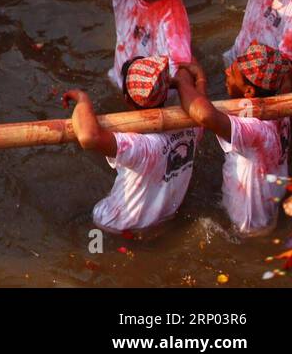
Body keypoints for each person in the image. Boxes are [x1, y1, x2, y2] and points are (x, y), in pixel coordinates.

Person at [64, 55, 200, 236]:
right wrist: (198, 78)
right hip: (161, 221)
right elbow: (201, 104)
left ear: (127, 99)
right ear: (167, 92)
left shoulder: (140, 147)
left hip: (113, 225)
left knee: (86, 235)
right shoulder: (192, 125)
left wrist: (82, 100)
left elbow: (88, 137)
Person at [174, 50, 292, 236]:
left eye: (234, 73)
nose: (227, 71)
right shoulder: (282, 102)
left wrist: (189, 81)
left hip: (247, 226)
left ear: (249, 91)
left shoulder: (255, 129)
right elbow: (287, 76)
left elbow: (205, 116)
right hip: (269, 208)